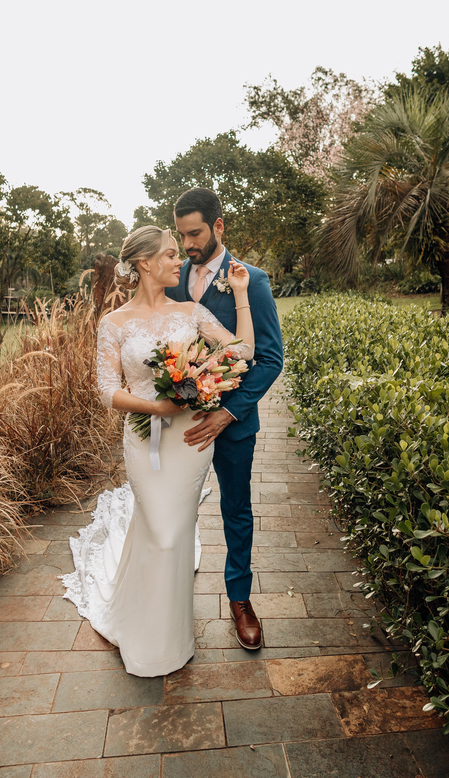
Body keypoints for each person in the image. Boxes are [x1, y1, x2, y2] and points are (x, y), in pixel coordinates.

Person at [61, 224, 254, 677]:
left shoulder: (192, 311)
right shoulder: (114, 324)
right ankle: (146, 631)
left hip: (190, 439)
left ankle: (172, 640)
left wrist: (241, 293)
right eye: (170, 255)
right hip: (144, 436)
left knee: (173, 532)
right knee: (159, 529)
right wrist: (155, 406)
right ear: (145, 263)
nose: (177, 261)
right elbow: (106, 389)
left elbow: (242, 350)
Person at [166, 187, 284, 651]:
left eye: (195, 233)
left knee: (236, 511)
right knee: (176, 510)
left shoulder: (250, 280)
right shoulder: (171, 279)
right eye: (181, 235)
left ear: (219, 226)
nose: (188, 245)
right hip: (180, 425)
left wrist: (228, 414)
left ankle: (239, 600)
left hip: (233, 426)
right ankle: (171, 602)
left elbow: (270, 359)